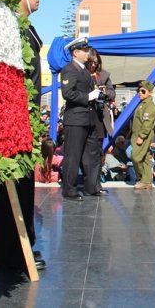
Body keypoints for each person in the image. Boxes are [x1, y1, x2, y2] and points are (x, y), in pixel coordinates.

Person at [0, 0, 46, 272]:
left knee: (24, 188)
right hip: (15, 118)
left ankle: (20, 248)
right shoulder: (10, 26)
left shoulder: (26, 27)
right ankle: (12, 254)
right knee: (15, 188)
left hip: (26, 118)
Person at [60, 37, 103, 201]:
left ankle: (91, 187)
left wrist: (97, 95)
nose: (87, 53)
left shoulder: (84, 71)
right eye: (84, 50)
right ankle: (69, 189)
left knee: (91, 155)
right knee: (73, 155)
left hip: (89, 118)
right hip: (76, 119)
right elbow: (68, 93)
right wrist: (88, 96)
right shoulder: (69, 69)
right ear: (75, 52)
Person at [86, 47, 115, 193]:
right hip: (84, 116)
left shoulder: (103, 75)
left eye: (96, 62)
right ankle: (88, 184)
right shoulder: (81, 73)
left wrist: (104, 92)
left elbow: (112, 92)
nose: (93, 65)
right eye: (91, 62)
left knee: (98, 153)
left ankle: (96, 185)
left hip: (99, 117)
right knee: (84, 154)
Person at [131, 80, 155, 189]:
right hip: (137, 134)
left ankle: (142, 178)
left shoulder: (149, 105)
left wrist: (141, 136)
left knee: (135, 157)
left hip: (143, 135)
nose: (140, 93)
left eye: (143, 91)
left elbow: (147, 123)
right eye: (139, 90)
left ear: (150, 93)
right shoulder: (142, 104)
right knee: (146, 158)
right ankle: (147, 181)